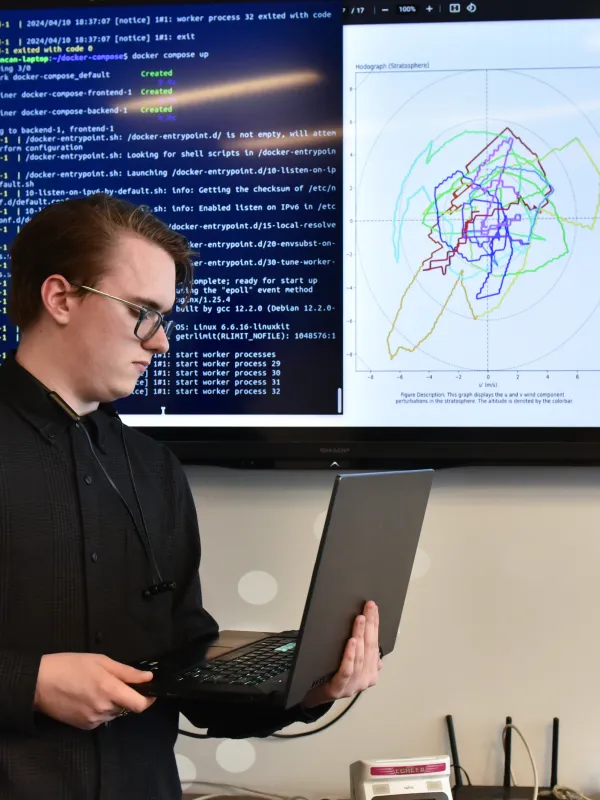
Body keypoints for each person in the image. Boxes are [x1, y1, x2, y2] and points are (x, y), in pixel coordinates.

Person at [0, 193, 382, 800]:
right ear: (60, 297)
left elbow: (189, 683)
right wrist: (29, 683)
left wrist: (314, 687)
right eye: (142, 312)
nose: (161, 345)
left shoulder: (156, 471)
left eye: (165, 318)